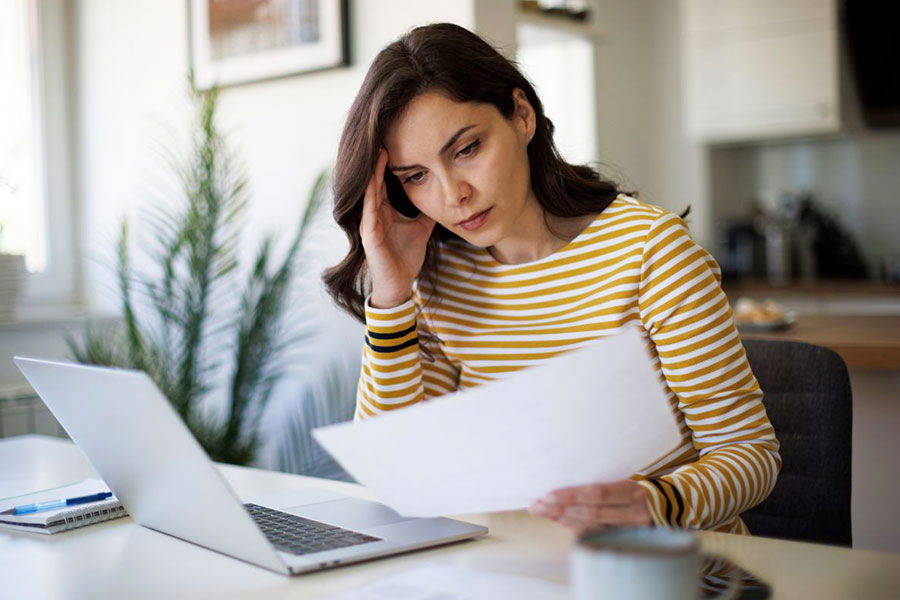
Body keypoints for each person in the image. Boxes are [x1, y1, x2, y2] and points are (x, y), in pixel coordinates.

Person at [324, 23, 780, 536]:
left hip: (663, 569)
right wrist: (391, 295)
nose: (454, 195)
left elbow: (750, 455)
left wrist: (655, 502)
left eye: (467, 149)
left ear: (522, 115)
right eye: (416, 176)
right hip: (514, 568)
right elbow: (395, 469)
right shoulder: (436, 279)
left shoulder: (651, 252)